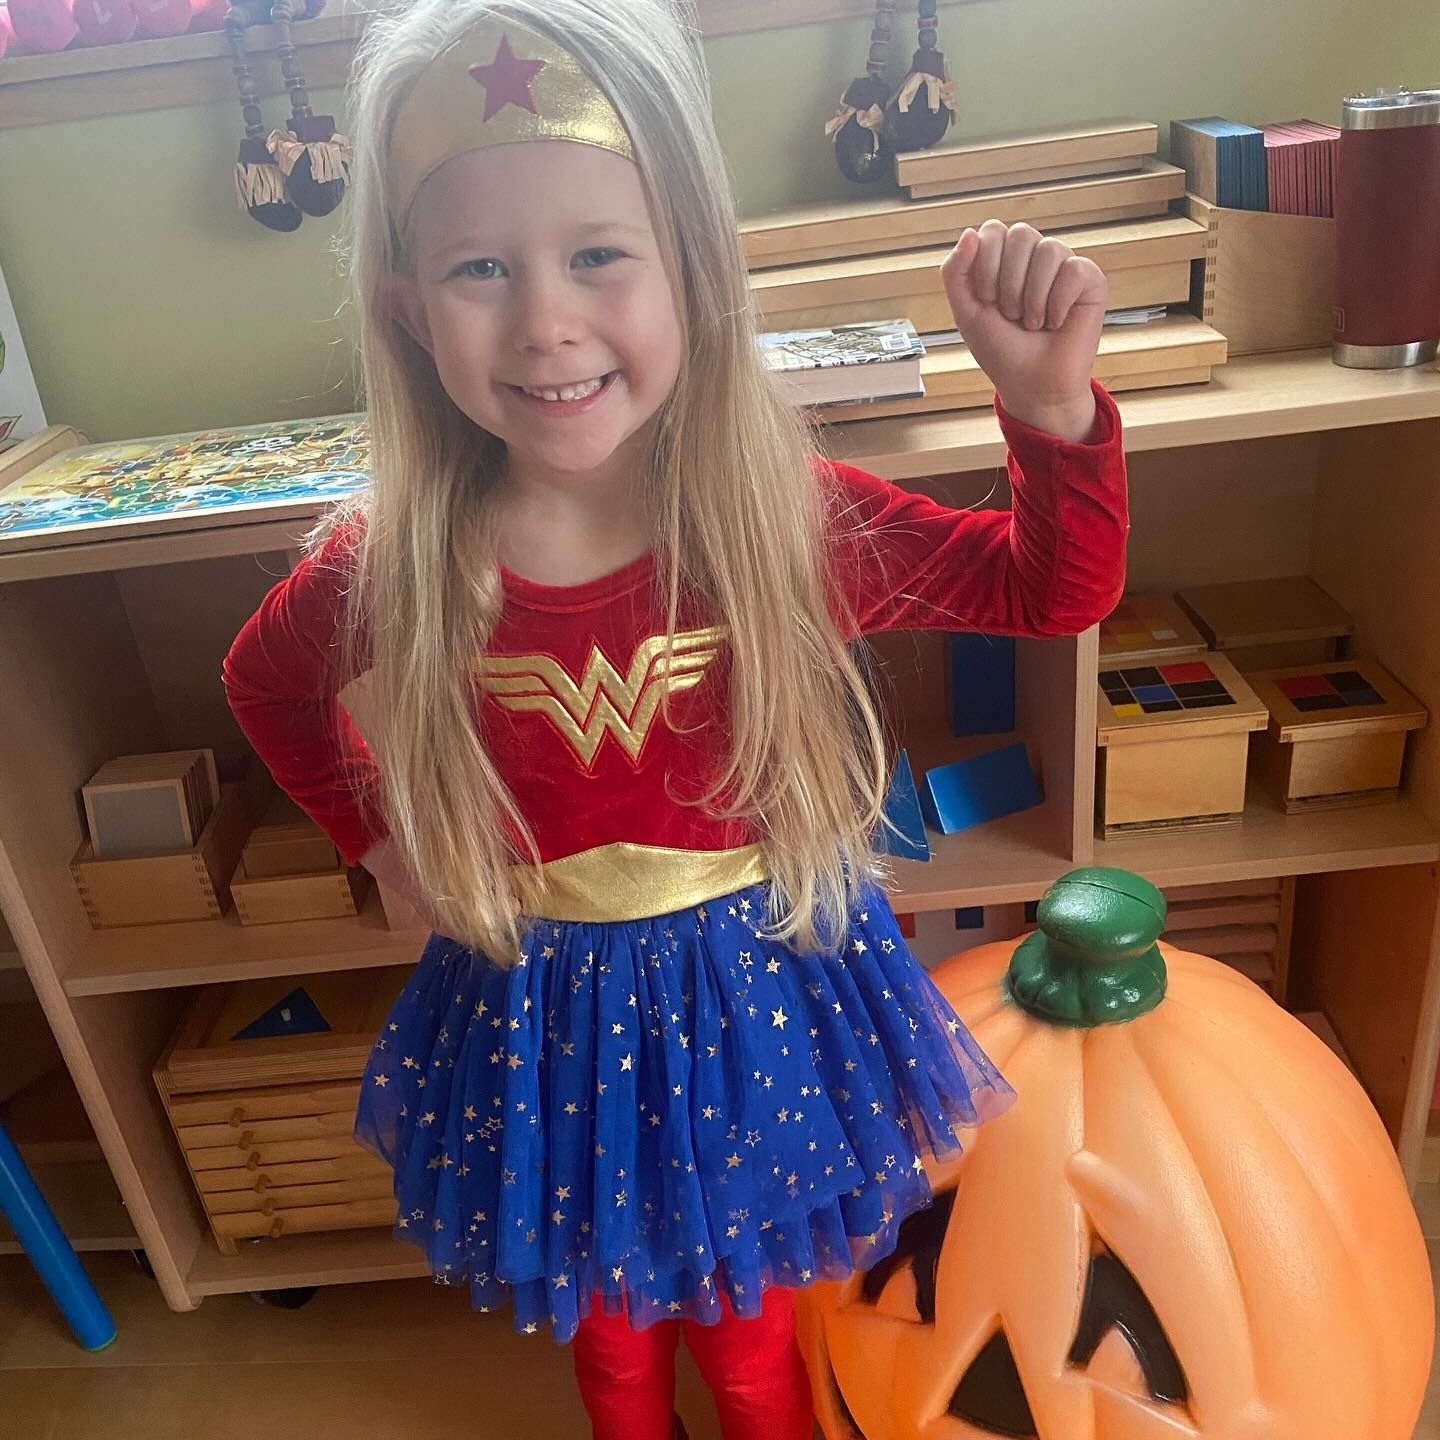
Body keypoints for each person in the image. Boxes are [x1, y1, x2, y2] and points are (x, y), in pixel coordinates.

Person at [222, 1, 1127, 1436]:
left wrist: (1050, 412)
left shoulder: (776, 520)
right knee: (615, 1344)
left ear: (692, 275)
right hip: (536, 1007)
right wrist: (374, 838)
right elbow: (262, 685)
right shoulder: (391, 564)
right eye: (479, 269)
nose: (546, 321)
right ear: (407, 306)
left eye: (597, 255)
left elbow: (1048, 588)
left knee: (757, 1341)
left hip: (755, 994)